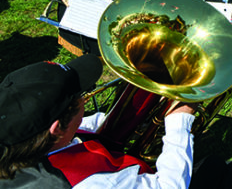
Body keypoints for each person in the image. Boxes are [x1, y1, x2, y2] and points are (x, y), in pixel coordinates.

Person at [0, 55, 198, 188]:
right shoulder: (94, 183)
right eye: (80, 95)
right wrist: (179, 120)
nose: (85, 98)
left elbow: (85, 125)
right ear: (57, 128)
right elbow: (169, 185)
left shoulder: (16, 136)